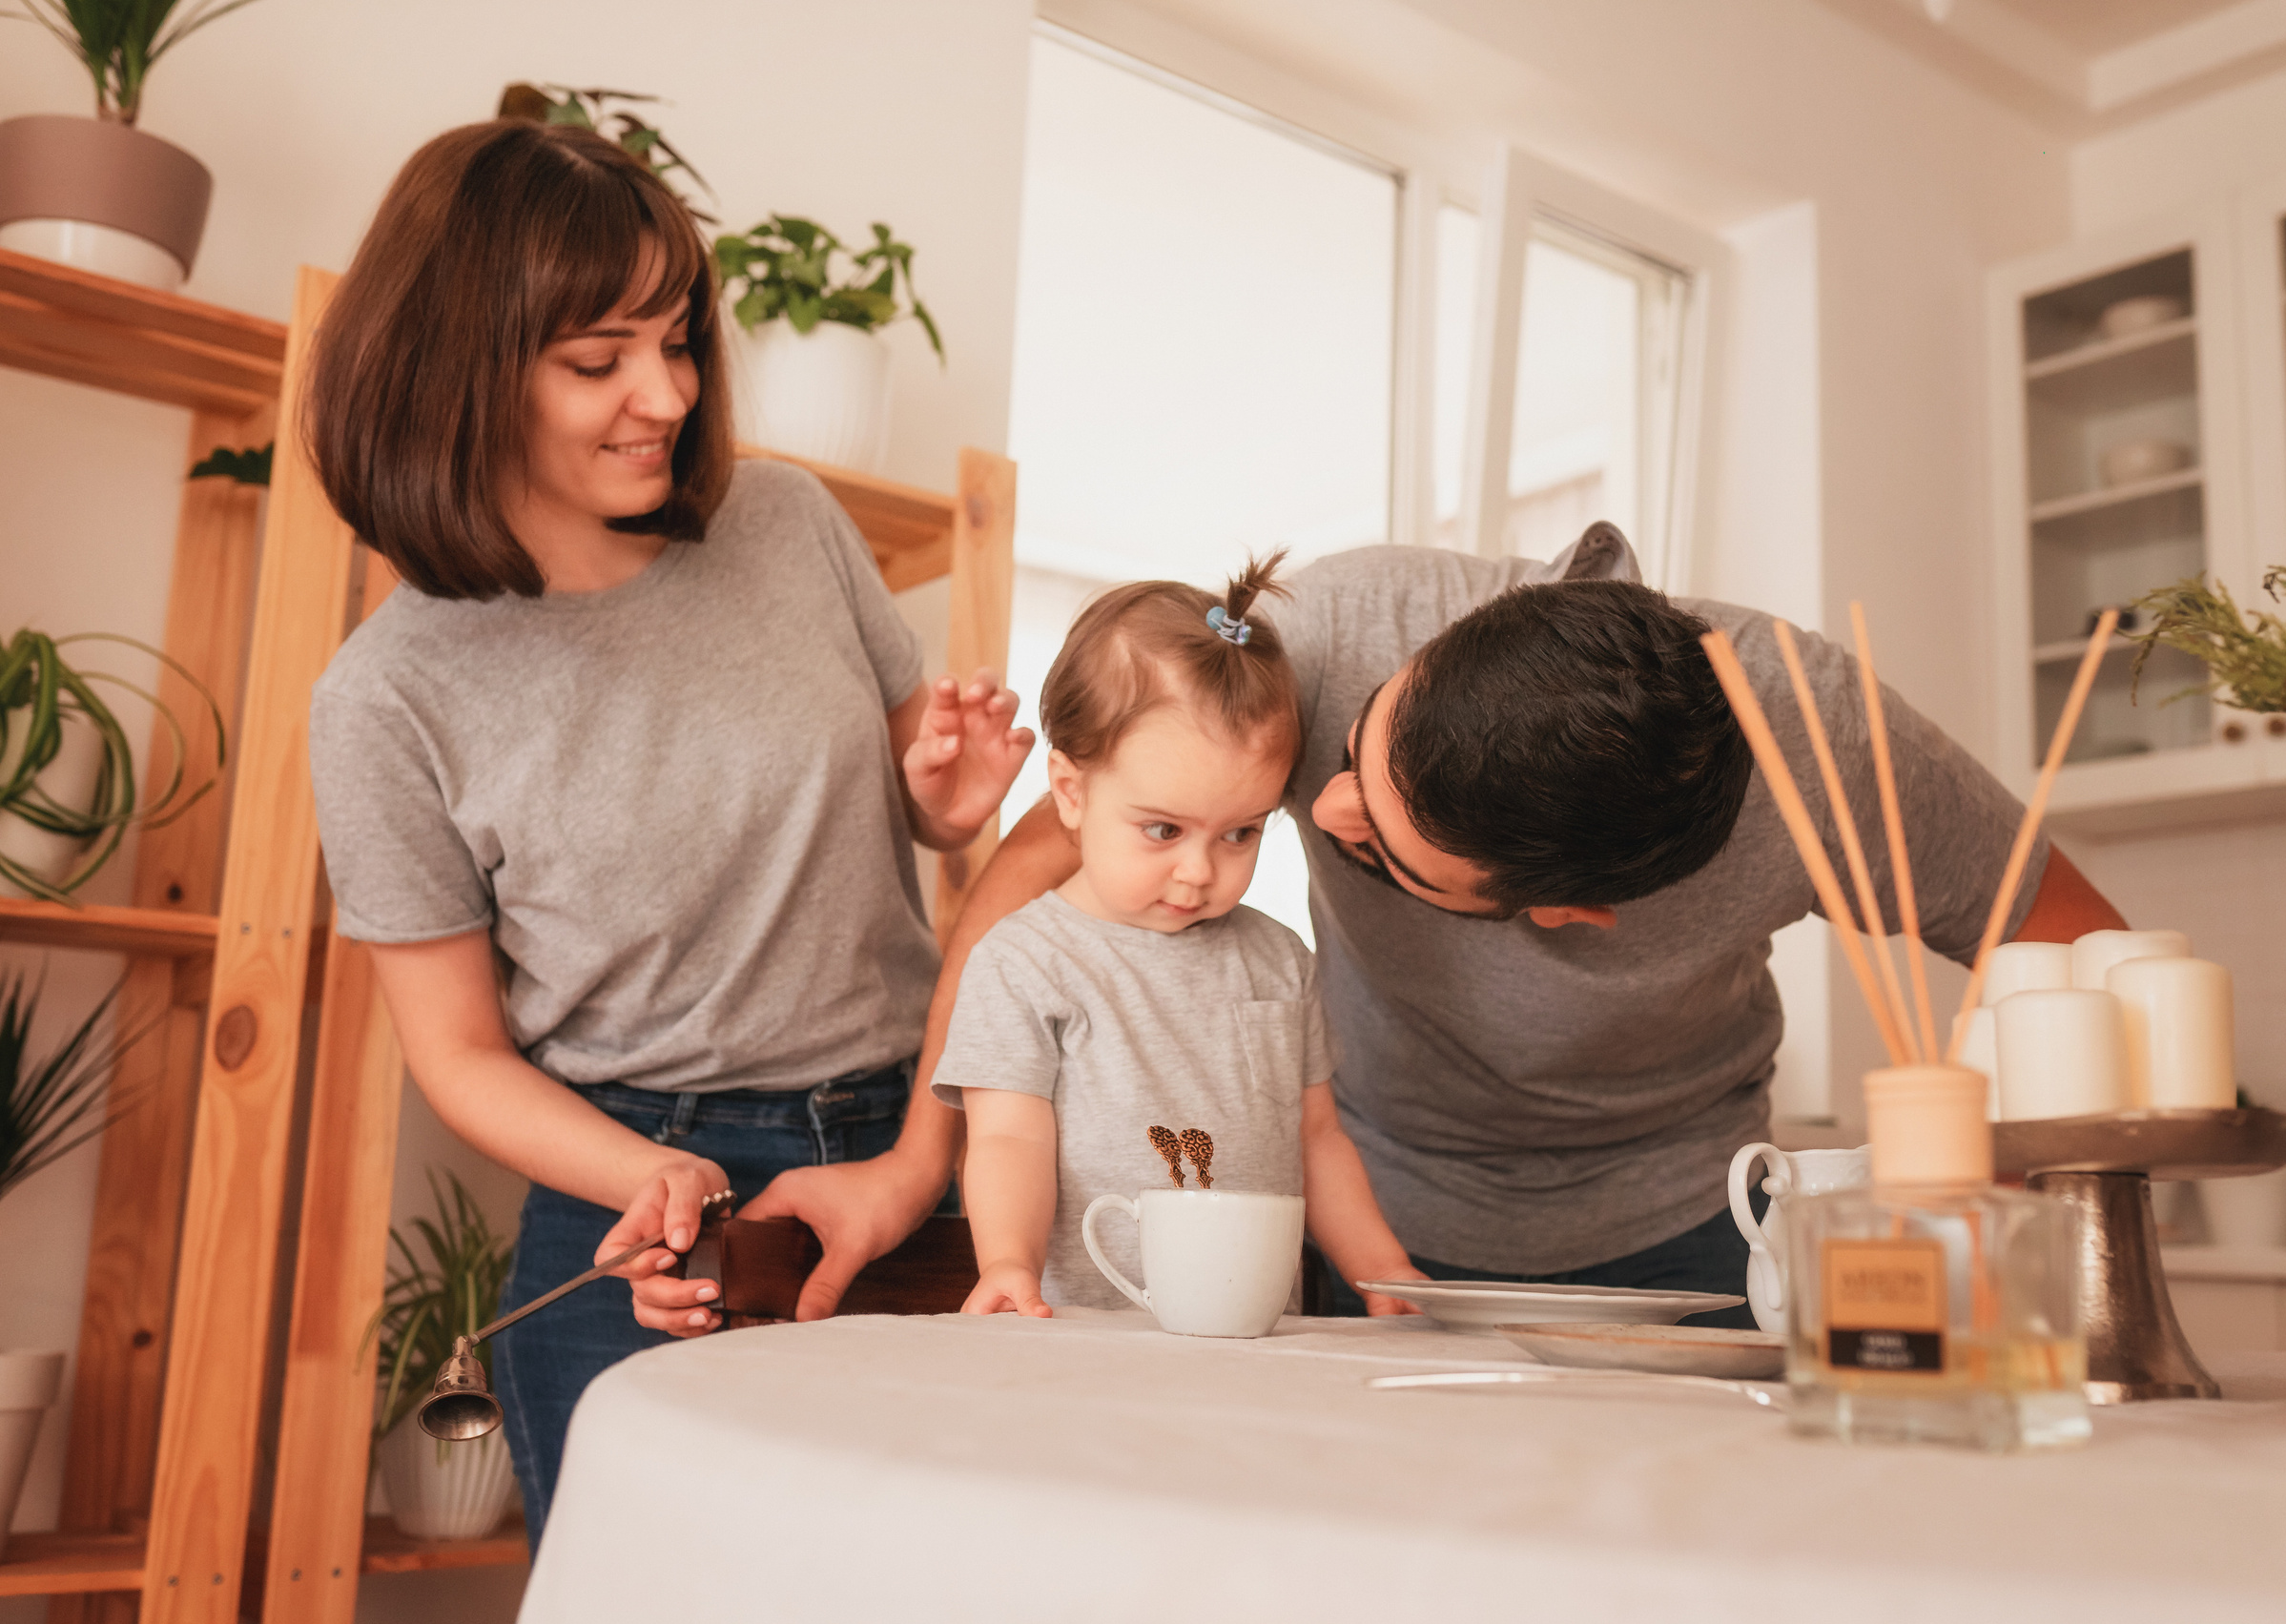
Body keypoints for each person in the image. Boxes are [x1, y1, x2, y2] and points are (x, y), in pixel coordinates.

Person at [304, 120, 1030, 1543]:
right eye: (599, 359)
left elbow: (912, 804)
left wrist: (946, 805)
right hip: (633, 1190)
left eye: (678, 339)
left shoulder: (789, 520)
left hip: (909, 1149)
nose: (667, 392)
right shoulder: (388, 695)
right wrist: (651, 1180)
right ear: (459, 375)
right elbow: (456, 1050)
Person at [910, 524, 2127, 1326]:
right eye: (1352, 752)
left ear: (1559, 914)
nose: (1321, 809)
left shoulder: (1826, 751)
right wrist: (919, 1166)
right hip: (1373, 1224)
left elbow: (2075, 949)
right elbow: (1052, 858)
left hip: (1691, 1232)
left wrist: (1976, 1207)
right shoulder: (1328, 634)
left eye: (1377, 850)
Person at [935, 556, 1422, 1317]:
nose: (1199, 872)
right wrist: (1007, 1261)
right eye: (1163, 829)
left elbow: (1319, 1140)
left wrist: (1382, 1267)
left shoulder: (1279, 960)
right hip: (1089, 1340)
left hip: (1255, 1341)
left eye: (1240, 832)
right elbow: (1006, 1142)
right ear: (1071, 791)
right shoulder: (1022, 962)